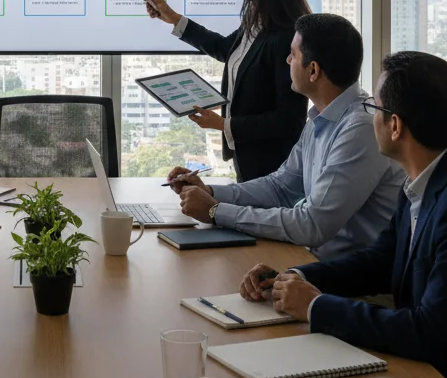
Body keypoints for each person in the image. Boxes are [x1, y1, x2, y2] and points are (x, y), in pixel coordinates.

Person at [240, 51, 447, 378]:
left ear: (395, 126)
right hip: (438, 374)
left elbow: (432, 333)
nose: (369, 117)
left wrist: (316, 307)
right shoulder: (427, 178)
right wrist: (295, 278)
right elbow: (380, 261)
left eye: (373, 108)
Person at [169, 14, 403, 258]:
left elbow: (312, 225)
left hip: (354, 275)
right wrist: (210, 192)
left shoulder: (360, 129)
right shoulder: (322, 117)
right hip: (319, 263)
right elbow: (280, 187)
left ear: (313, 70)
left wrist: (216, 212)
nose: (287, 60)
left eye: (293, 54)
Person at [145, 0, 309, 180]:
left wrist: (224, 124)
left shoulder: (287, 38)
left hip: (273, 166)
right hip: (248, 158)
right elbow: (225, 49)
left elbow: (289, 119)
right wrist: (174, 18)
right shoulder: (258, 21)